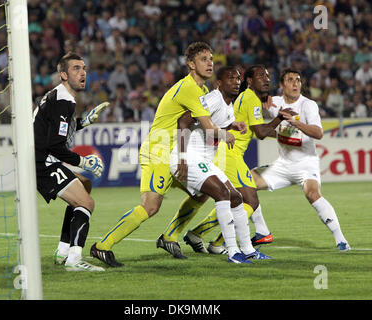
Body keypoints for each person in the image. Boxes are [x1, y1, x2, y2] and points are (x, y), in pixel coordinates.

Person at [90, 42, 236, 267]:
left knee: (202, 193)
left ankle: (169, 236)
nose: (210, 63)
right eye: (203, 59)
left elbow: (191, 126)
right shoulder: (189, 89)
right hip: (159, 152)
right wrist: (225, 135)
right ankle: (102, 247)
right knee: (150, 206)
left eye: (211, 59)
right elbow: (203, 126)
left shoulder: (203, 91)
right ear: (190, 64)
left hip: (175, 152)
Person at [169, 65, 294, 255]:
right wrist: (182, 158)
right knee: (247, 201)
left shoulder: (233, 102)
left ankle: (239, 247)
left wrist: (231, 127)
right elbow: (260, 132)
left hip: (217, 155)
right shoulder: (242, 98)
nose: (266, 79)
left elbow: (214, 127)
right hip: (226, 155)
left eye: (268, 76)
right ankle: (224, 245)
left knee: (231, 197)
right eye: (260, 76)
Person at [250, 68, 351, 252]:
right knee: (245, 183)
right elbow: (254, 101)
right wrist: (263, 97)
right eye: (290, 80)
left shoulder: (308, 105)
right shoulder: (275, 102)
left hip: (306, 163)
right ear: (281, 85)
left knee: (312, 194)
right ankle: (261, 231)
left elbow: (318, 133)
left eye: (298, 79)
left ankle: (341, 240)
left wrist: (294, 122)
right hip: (282, 164)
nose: (296, 83)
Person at [33, 52, 108, 271]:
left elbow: (55, 129)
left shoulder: (57, 96)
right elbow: (55, 144)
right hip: (43, 163)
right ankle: (75, 259)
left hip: (41, 159)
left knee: (85, 185)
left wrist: (82, 122)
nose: (83, 72)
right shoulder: (63, 101)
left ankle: (63, 250)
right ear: (63, 74)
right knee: (86, 203)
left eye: (84, 67)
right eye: (76, 68)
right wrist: (83, 161)